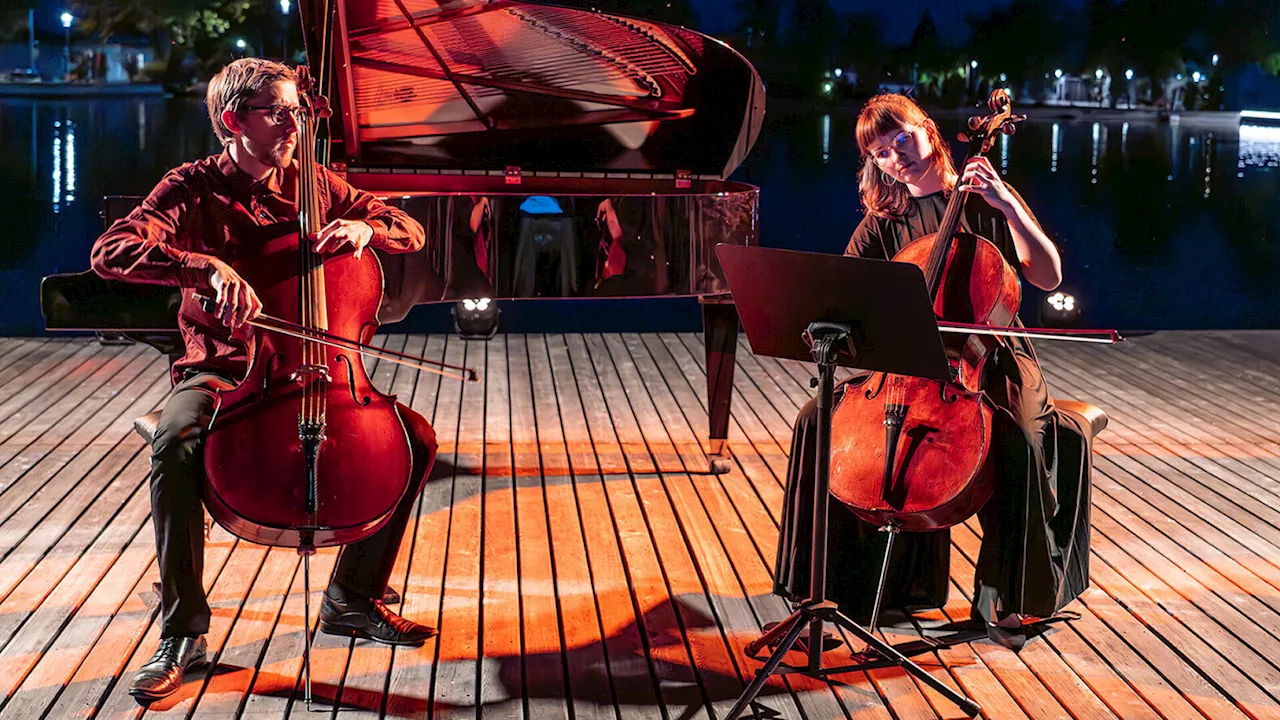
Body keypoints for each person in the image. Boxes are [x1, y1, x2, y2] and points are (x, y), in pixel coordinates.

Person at [90, 58, 439, 702]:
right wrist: (201, 266)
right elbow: (110, 252)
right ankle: (183, 633)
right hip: (225, 373)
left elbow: (408, 228)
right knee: (174, 442)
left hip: (325, 375)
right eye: (278, 112)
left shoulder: (315, 182)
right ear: (232, 122)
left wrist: (369, 225)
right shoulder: (190, 188)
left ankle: (352, 599)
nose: (294, 123)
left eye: (296, 112)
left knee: (415, 440)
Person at [772, 93, 1091, 651]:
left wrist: (1008, 206)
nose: (896, 157)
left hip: (990, 356)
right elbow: (846, 295)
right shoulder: (883, 222)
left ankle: (1009, 597)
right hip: (906, 364)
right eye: (880, 153)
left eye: (902, 139)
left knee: (1017, 431)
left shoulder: (987, 198)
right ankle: (822, 594)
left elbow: (1047, 275)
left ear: (928, 130)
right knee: (816, 420)